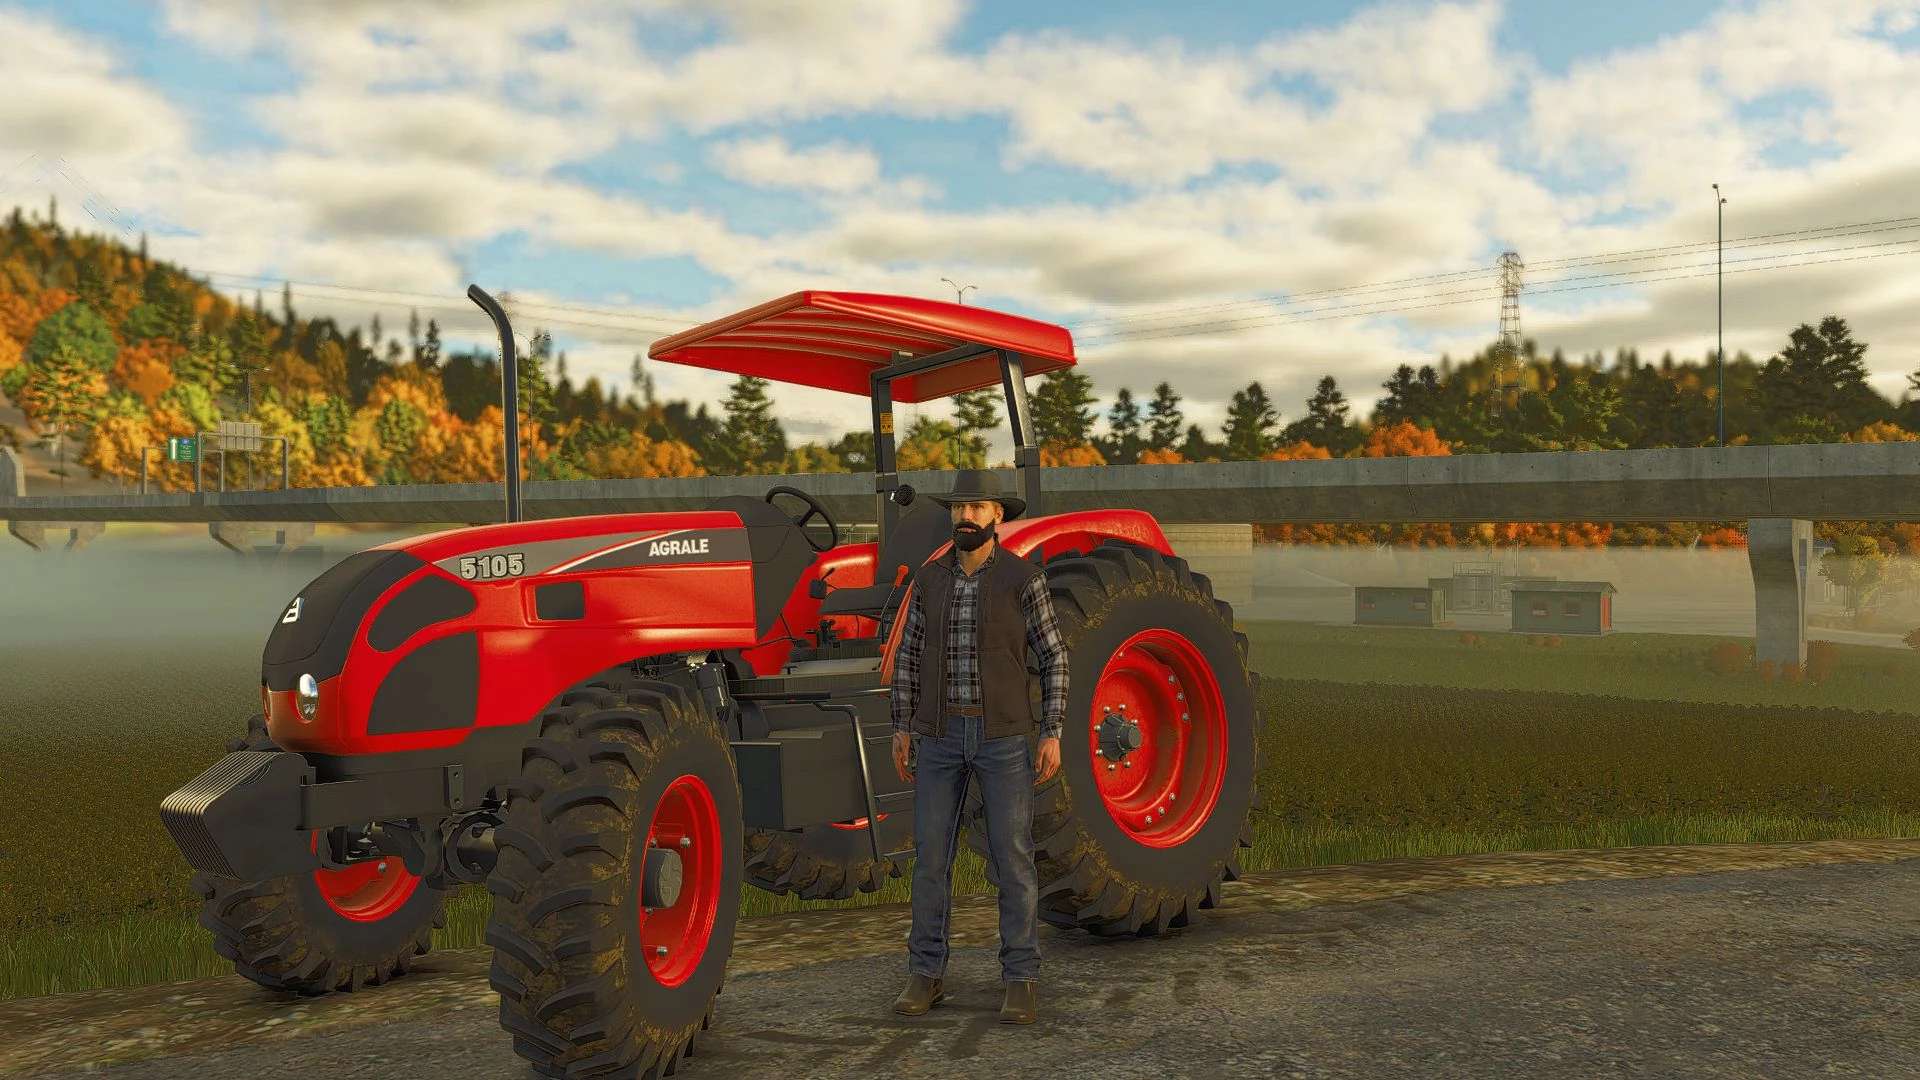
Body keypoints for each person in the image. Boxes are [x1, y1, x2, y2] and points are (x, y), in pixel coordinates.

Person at [888, 468, 1068, 1026]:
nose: (965, 516)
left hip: (1003, 739)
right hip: (939, 738)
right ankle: (926, 974)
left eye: (977, 507)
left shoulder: (1022, 579)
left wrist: (1052, 730)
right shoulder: (929, 579)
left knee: (1012, 860)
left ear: (997, 516)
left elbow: (1054, 656)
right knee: (930, 861)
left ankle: (1020, 978)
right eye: (959, 507)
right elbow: (909, 656)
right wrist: (902, 726)